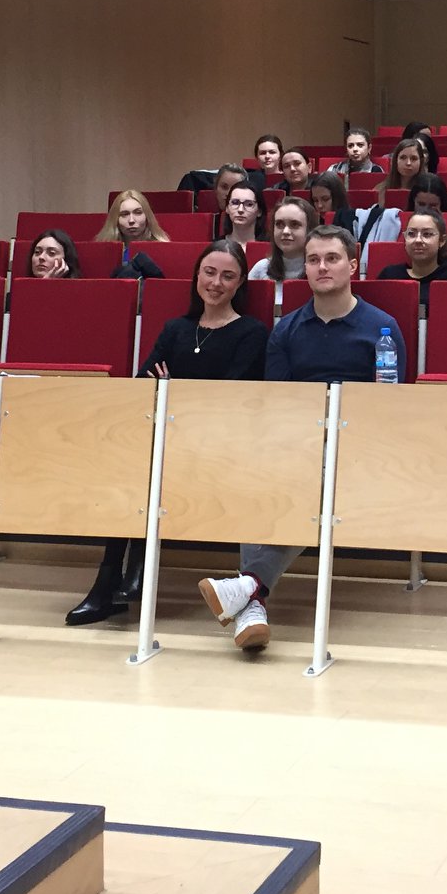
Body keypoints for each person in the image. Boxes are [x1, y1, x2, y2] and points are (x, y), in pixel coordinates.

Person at [197, 225, 403, 652]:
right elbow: (280, 404)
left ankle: (248, 588)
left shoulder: (382, 328)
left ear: (353, 264)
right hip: (299, 442)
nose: (322, 267)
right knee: (259, 475)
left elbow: (392, 407)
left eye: (331, 258)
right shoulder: (287, 329)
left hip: (361, 448)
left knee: (311, 480)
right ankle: (252, 601)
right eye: (313, 260)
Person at [67, 242, 267, 627]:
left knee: (144, 469)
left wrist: (173, 389)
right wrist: (173, 392)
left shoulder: (251, 332)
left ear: (240, 282)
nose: (216, 283)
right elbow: (143, 384)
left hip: (215, 443)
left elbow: (230, 397)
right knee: (131, 466)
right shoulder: (176, 328)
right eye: (209, 272)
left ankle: (129, 575)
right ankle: (111, 582)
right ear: (196, 276)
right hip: (162, 438)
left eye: (227, 276)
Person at [376, 207, 447, 305]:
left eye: (427, 234)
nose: (418, 240)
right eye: (411, 234)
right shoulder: (389, 275)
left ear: (441, 240)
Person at [358, 174, 447, 245]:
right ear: (413, 202)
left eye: (433, 205)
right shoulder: (396, 223)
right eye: (421, 204)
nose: (426, 210)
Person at [98, 190, 168, 279]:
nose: (131, 220)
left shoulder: (163, 250)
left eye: (138, 213)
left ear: (147, 217)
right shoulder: (104, 253)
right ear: (115, 219)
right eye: (124, 214)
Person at [248, 195, 313, 282]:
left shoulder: (319, 270)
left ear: (309, 230)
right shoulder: (261, 269)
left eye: (294, 224)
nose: (285, 231)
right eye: (280, 224)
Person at [214, 181, 266, 249]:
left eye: (249, 204)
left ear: (259, 211)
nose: (240, 210)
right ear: (227, 208)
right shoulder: (215, 247)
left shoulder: (269, 247)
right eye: (235, 203)